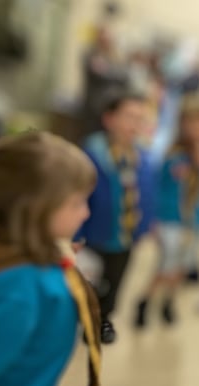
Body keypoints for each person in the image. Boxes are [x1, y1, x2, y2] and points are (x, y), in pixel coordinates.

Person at [0, 132, 102, 386]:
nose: (86, 212)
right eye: (76, 203)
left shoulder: (29, 254)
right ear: (35, 209)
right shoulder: (19, 291)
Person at [134, 99, 199, 327]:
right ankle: (145, 301)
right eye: (194, 124)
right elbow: (157, 186)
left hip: (195, 221)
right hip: (169, 218)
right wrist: (151, 218)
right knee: (166, 264)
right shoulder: (173, 152)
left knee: (183, 266)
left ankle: (168, 302)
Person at [77, 91, 156, 344]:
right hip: (94, 236)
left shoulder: (142, 158)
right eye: (129, 117)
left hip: (126, 237)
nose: (135, 125)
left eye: (140, 119)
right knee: (89, 284)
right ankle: (82, 321)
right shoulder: (91, 155)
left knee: (115, 284)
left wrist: (146, 226)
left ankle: (103, 322)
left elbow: (148, 195)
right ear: (109, 119)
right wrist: (77, 236)